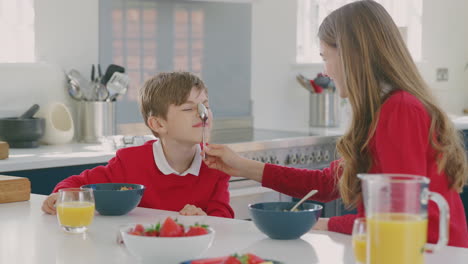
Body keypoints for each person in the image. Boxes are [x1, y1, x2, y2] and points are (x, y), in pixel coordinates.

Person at [202, 0, 468, 247]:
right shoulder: (384, 109)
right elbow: (328, 183)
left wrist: (323, 224)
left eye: (324, 56)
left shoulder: (399, 109)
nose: (325, 71)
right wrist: (241, 165)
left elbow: (396, 218)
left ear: (351, 55)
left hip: (430, 252)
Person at [42, 72, 234, 218]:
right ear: (158, 124)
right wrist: (61, 195)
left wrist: (206, 221)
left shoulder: (215, 166)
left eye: (205, 106)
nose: (203, 113)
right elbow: (76, 184)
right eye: (188, 108)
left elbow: (225, 220)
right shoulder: (130, 162)